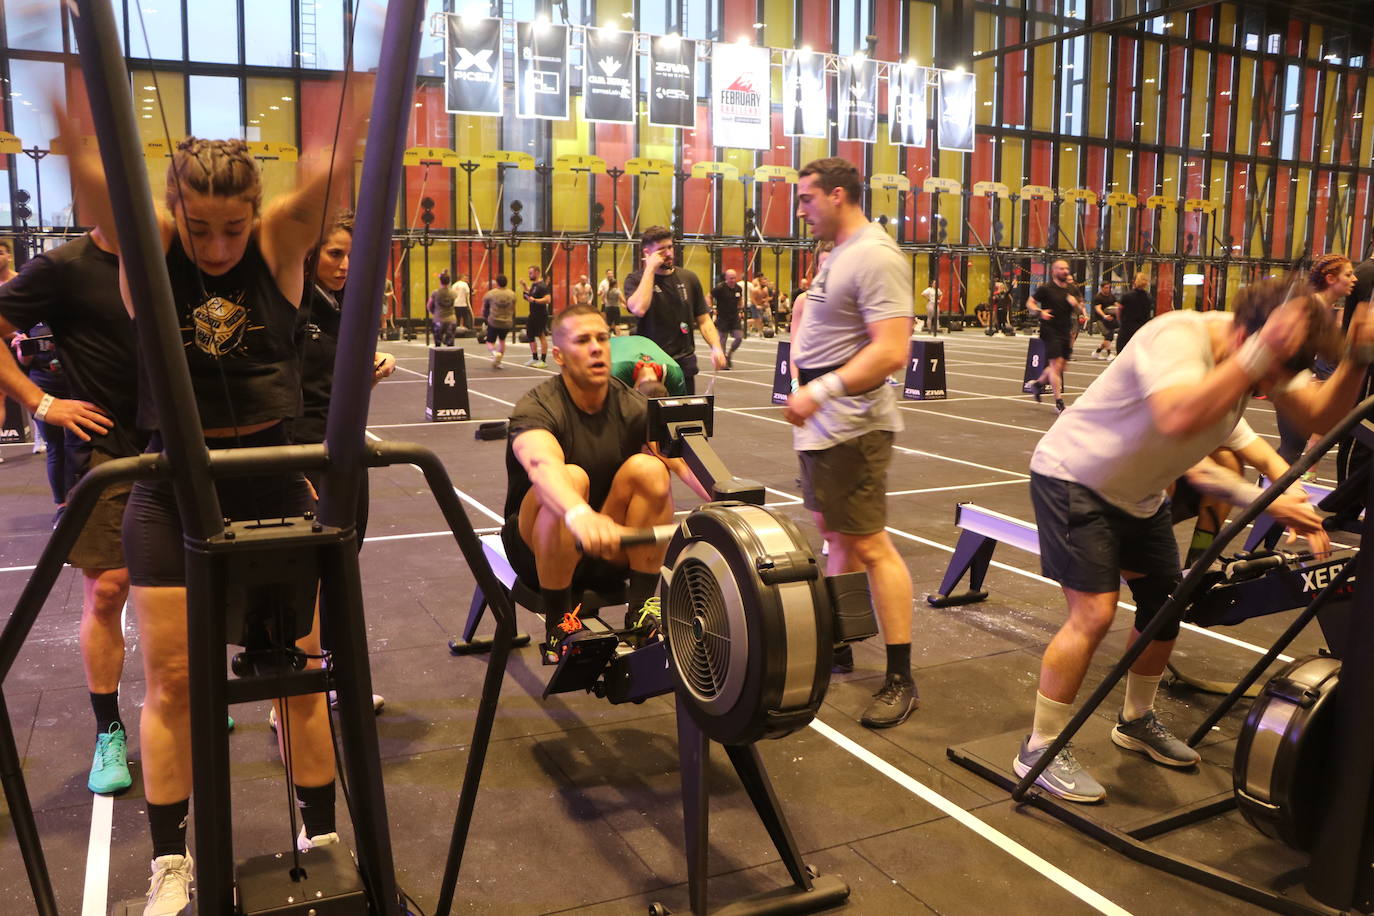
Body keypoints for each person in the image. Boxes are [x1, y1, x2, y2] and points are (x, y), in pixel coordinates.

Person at [63, 116, 359, 911]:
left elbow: (331, 174)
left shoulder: (275, 250)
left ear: (256, 217)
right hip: (173, 489)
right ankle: (170, 861)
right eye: (201, 230)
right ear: (172, 214)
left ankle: (321, 840)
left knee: (299, 677)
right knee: (171, 682)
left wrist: (353, 107)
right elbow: (98, 184)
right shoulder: (151, 251)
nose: (219, 248)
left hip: (269, 479)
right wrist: (71, 118)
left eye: (234, 228)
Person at [1015, 276, 1371, 803]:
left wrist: (1359, 358)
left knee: (1165, 606)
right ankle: (1039, 748)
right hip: (1075, 481)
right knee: (1094, 612)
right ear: (1252, 337)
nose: (1267, 390)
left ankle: (1135, 720)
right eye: (1267, 372)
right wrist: (1262, 491)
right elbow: (1179, 420)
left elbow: (1316, 415)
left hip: (1138, 497)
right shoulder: (1178, 339)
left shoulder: (1247, 363)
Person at [0, 229, 141, 798]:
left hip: (182, 443)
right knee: (108, 590)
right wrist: (41, 402)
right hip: (105, 445)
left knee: (182, 587)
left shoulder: (175, 254)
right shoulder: (64, 266)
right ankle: (108, 729)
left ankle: (177, 695)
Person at [786, 157, 918, 729]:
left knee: (870, 546)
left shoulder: (875, 254)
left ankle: (900, 676)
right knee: (834, 534)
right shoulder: (838, 254)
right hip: (826, 426)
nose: (801, 209)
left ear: (838, 195)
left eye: (808, 198)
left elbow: (892, 351)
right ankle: (841, 638)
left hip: (853, 427)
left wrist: (822, 390)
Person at [502, 305, 709, 661]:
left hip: (607, 543)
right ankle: (558, 625)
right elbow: (541, 464)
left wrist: (726, 497)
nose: (596, 347)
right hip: (538, 551)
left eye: (602, 338)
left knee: (651, 469)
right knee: (571, 477)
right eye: (583, 340)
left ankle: (643, 611)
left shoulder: (631, 404)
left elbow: (680, 459)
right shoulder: (537, 407)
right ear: (559, 356)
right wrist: (579, 514)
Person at [624, 226, 726, 395]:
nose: (669, 253)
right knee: (650, 419)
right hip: (651, 367)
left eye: (670, 247)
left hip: (683, 365)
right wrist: (650, 269)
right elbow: (639, 309)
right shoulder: (635, 279)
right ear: (647, 253)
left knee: (683, 418)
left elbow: (704, 319)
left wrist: (716, 347)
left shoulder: (689, 278)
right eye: (661, 250)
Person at [1276, 255, 1358, 463]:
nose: (1354, 279)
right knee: (1291, 450)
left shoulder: (1322, 309)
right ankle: (1271, 492)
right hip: (1286, 385)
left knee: (1292, 450)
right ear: (1331, 279)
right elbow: (1286, 348)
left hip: (1292, 383)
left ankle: (1274, 490)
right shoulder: (1310, 307)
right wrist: (1306, 378)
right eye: (1348, 275)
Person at [9, 324, 88, 519]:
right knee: (55, 447)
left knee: (76, 446)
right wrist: (23, 347)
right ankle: (61, 505)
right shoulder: (28, 320)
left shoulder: (66, 312)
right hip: (43, 390)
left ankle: (75, 500)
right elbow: (24, 361)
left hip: (73, 386)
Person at [1024, 259, 1081, 413]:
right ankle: (1059, 402)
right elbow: (1030, 303)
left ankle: (1037, 384)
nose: (1065, 271)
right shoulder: (1046, 289)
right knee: (1056, 366)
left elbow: (1079, 308)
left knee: (1060, 366)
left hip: (1065, 331)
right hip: (1050, 331)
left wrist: (1075, 304)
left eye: (1066, 268)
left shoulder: (1072, 289)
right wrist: (1039, 312)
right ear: (1054, 271)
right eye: (1061, 268)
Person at [609, 334, 688, 396]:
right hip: (615, 345)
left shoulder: (676, 375)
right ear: (635, 389)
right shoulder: (615, 375)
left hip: (643, 342)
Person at [711, 269, 745, 368]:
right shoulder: (720, 288)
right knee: (722, 339)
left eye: (734, 278)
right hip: (722, 317)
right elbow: (709, 296)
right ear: (726, 278)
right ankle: (723, 361)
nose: (733, 280)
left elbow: (740, 299)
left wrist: (741, 309)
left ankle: (729, 355)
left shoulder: (738, 288)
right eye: (731, 278)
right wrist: (711, 307)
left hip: (734, 317)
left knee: (739, 338)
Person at [482, 274, 518, 368]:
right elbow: (513, 309)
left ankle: (494, 353)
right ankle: (498, 362)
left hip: (494, 321)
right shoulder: (512, 294)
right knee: (502, 340)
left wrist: (485, 318)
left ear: (497, 283)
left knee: (490, 342)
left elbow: (484, 308)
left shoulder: (491, 293)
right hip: (507, 322)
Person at [520, 265, 551, 368]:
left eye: (531, 273)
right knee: (530, 335)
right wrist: (524, 286)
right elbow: (530, 293)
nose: (529, 275)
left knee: (541, 335)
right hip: (532, 314)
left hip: (541, 314)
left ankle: (543, 360)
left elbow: (548, 299)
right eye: (529, 273)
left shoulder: (542, 286)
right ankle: (534, 358)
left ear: (537, 273)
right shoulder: (534, 285)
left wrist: (535, 300)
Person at [1116, 272, 1153, 352]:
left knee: (1122, 352)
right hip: (1142, 329)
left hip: (1127, 328)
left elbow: (1119, 310)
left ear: (1133, 281)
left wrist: (1120, 322)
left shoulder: (1127, 295)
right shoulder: (1148, 296)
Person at [428, 270, 458, 347]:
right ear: (449, 281)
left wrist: (435, 313)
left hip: (438, 319)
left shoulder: (435, 293)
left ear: (440, 281)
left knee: (438, 345)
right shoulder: (453, 293)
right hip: (451, 319)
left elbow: (429, 305)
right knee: (450, 344)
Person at [1091, 282, 1118, 360]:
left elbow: (1116, 305)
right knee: (1108, 336)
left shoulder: (1111, 296)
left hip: (1110, 320)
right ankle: (1109, 354)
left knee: (1109, 338)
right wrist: (1104, 316)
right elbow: (1098, 308)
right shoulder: (1098, 297)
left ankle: (1097, 352)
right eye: (1106, 287)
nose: (1108, 289)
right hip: (1101, 320)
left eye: (1109, 287)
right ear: (1101, 288)